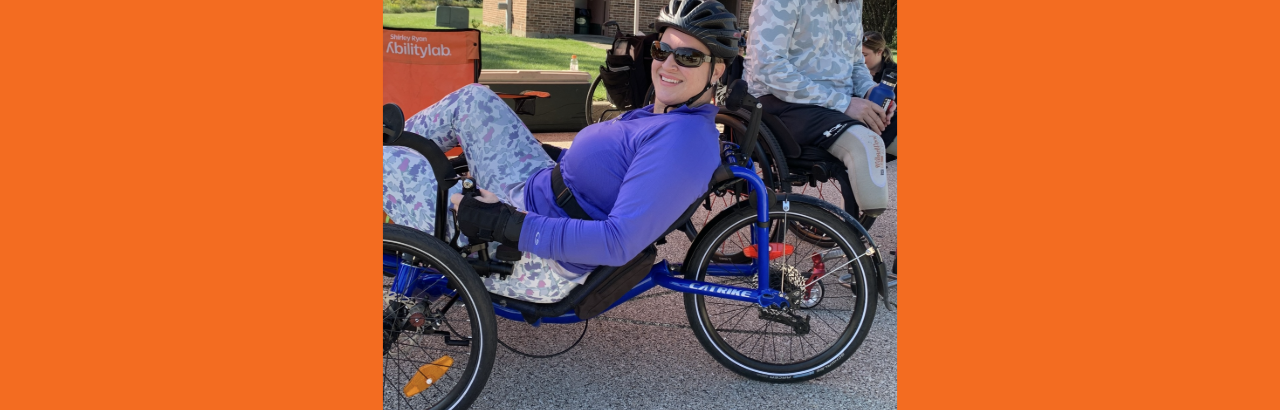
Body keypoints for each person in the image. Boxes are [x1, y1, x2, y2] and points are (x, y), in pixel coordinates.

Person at [383, 0, 740, 303]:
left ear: (717, 71)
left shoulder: (683, 142)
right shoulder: (669, 111)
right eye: (662, 50)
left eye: (689, 57)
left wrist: (503, 223)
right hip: (537, 187)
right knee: (473, 100)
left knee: (384, 165)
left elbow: (617, 243)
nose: (668, 64)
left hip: (537, 255)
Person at [744, 0, 896, 217]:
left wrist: (869, 92)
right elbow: (768, 67)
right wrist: (843, 103)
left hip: (837, 102)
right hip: (780, 99)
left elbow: (855, 63)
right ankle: (857, 246)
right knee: (867, 146)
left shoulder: (853, 3)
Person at [861, 30, 897, 160]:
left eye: (864, 55)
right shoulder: (853, 74)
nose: (860, 60)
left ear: (880, 52)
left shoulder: (895, 75)